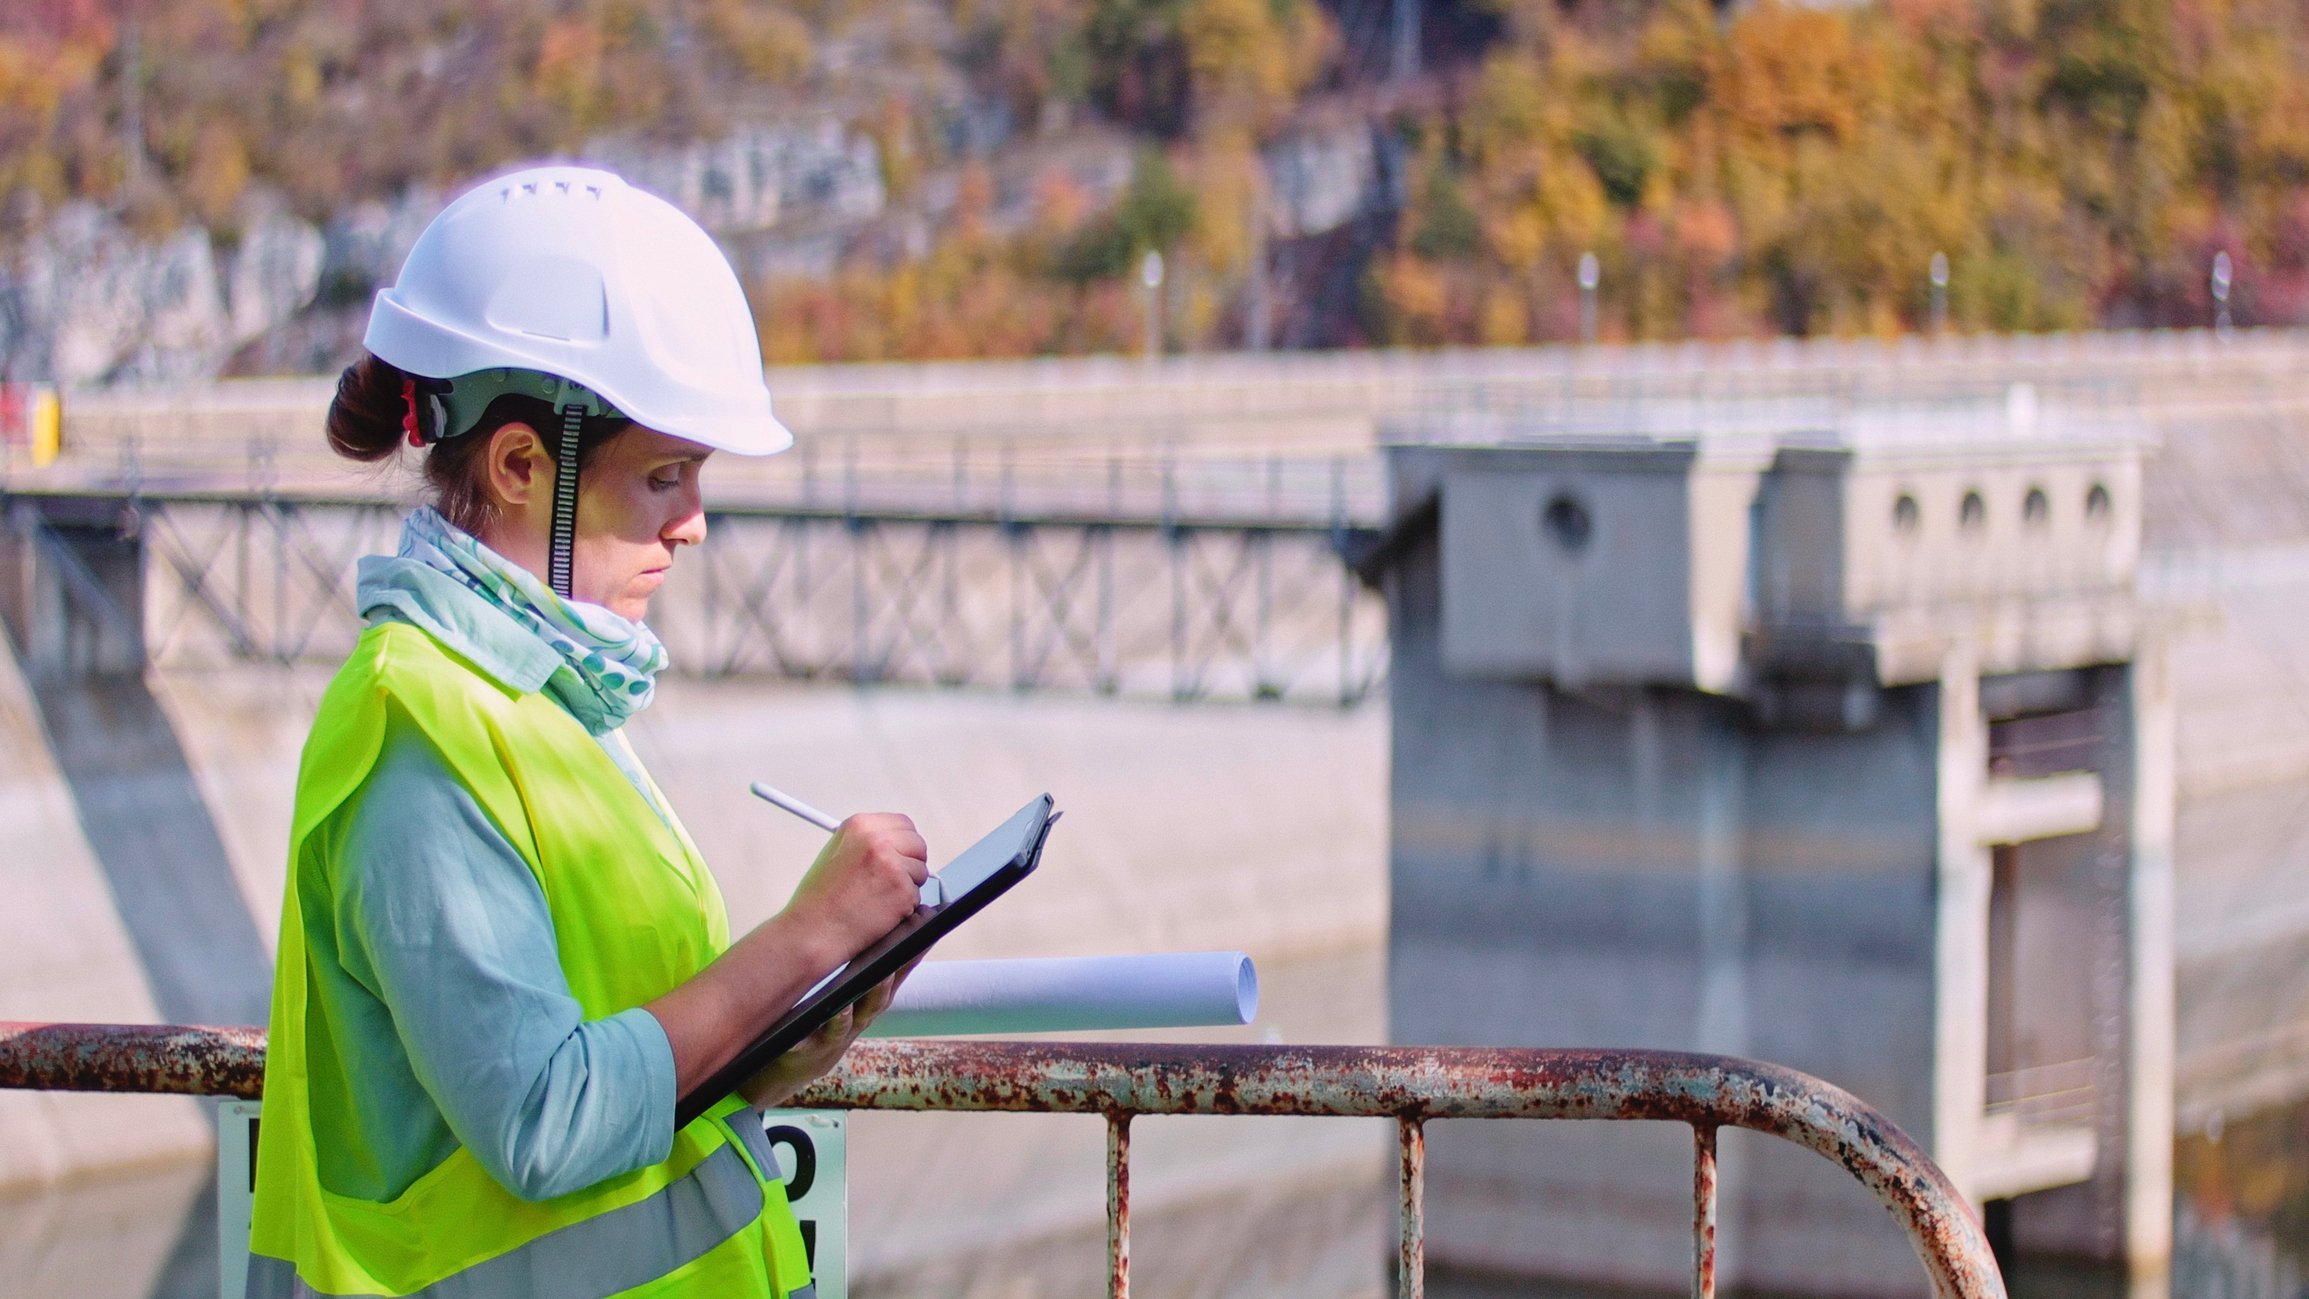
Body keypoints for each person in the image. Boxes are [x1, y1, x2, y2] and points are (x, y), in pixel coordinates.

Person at [245, 166, 927, 1299]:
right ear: (521, 466)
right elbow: (545, 1118)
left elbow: (624, 1067)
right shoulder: (413, 728)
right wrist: (803, 939)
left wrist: (770, 1044)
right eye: (663, 476)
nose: (693, 522)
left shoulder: (537, 700)